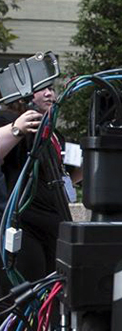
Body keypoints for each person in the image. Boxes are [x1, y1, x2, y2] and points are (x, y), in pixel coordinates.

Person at [0, 86, 71, 286]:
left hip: (55, 226)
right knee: (27, 291)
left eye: (51, 88)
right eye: (41, 89)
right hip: (24, 226)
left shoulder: (54, 133)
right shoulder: (8, 120)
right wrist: (16, 129)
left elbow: (66, 177)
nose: (49, 94)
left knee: (53, 293)